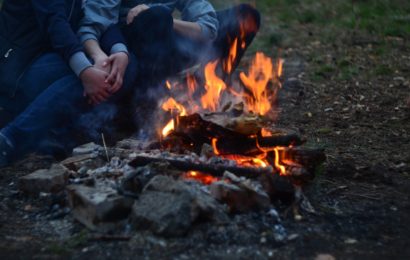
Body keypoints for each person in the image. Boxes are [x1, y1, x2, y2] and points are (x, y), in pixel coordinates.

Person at [0, 0, 136, 167]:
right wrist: (85, 71)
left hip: (56, 57)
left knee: (122, 68)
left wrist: (119, 51)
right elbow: (55, 22)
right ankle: (10, 140)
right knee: (90, 75)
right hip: (19, 67)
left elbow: (98, 18)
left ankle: (60, 135)